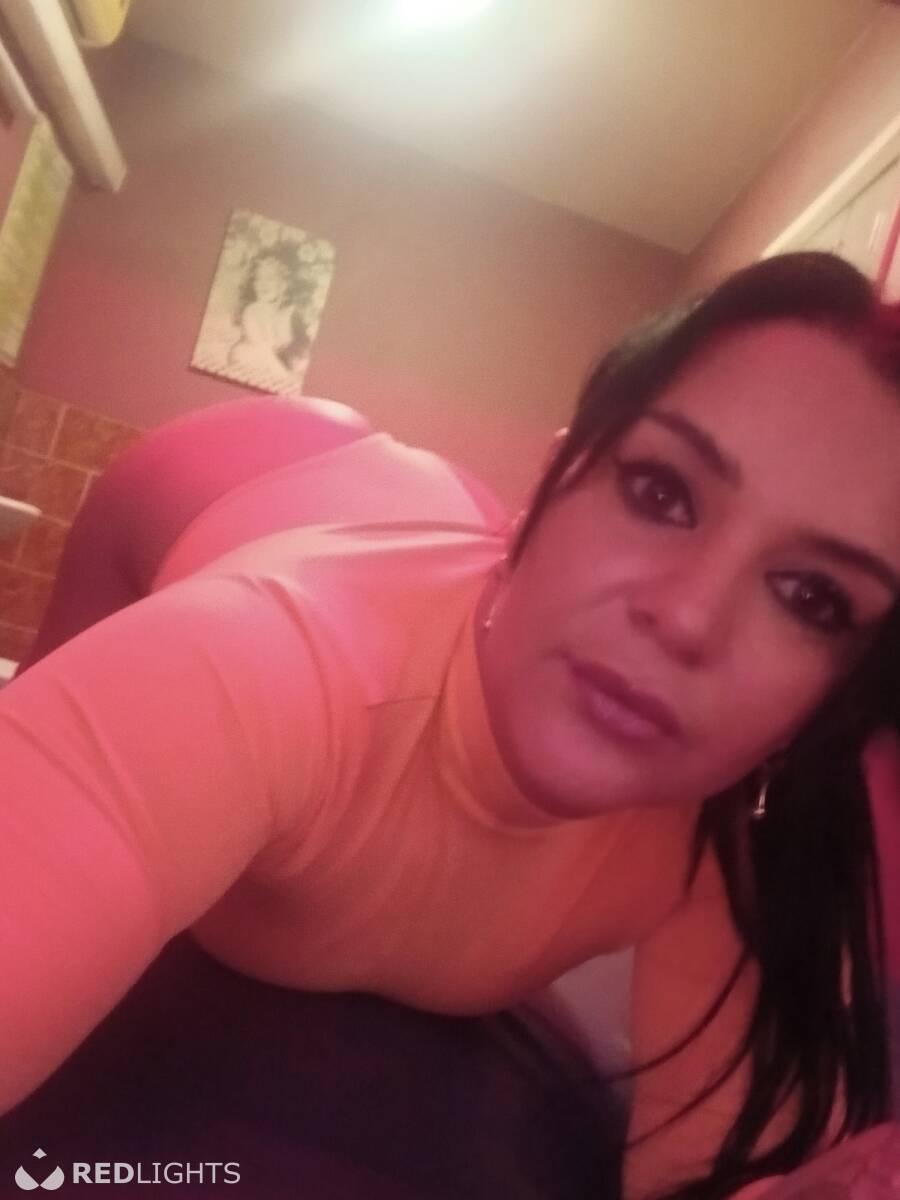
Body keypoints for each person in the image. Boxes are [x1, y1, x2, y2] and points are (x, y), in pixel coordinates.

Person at [3, 251, 900, 1200]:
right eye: (659, 491)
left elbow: (702, 1175)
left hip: (455, 550)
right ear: (551, 484)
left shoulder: (725, 848)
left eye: (812, 597)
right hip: (240, 478)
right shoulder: (249, 666)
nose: (687, 618)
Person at [229, 243, 314, 392]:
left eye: (270, 279)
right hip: (255, 354)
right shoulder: (252, 311)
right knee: (245, 354)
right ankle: (282, 380)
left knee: (300, 363)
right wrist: (283, 374)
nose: (263, 284)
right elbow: (261, 346)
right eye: (258, 279)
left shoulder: (290, 313)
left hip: (278, 360)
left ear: (284, 285)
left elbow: (297, 344)